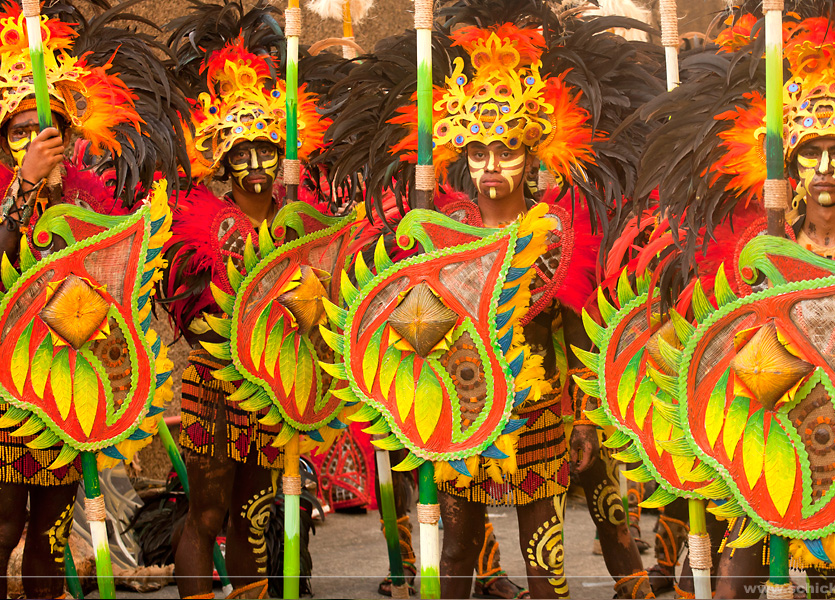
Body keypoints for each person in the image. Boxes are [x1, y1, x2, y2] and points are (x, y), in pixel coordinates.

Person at [321, 1, 663, 596]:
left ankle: (629, 575)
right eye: (478, 152)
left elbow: (580, 333)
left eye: (506, 149)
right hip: (461, 410)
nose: (491, 165)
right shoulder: (442, 228)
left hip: (540, 416)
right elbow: (411, 321)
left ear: (531, 154)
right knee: (455, 554)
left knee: (544, 563)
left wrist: (583, 418)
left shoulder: (559, 229)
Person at [621, 3, 835, 597]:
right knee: (734, 589)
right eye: (807, 151)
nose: (824, 168)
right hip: (757, 452)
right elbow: (695, 345)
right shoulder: (755, 249)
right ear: (787, 160)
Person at [0, 2, 187, 597]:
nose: (34, 139)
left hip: (70, 388)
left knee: (52, 533)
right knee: (2, 525)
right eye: (19, 130)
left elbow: (116, 292)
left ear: (69, 134)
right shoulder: (9, 187)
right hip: (7, 386)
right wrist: (24, 187)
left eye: (44, 128)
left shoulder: (88, 199)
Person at [159, 4, 329, 598]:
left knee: (257, 518)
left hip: (275, 387)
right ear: (222, 161)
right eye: (241, 153)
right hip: (214, 389)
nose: (255, 165)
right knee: (207, 516)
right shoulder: (200, 224)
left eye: (265, 149)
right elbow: (192, 313)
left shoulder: (301, 219)